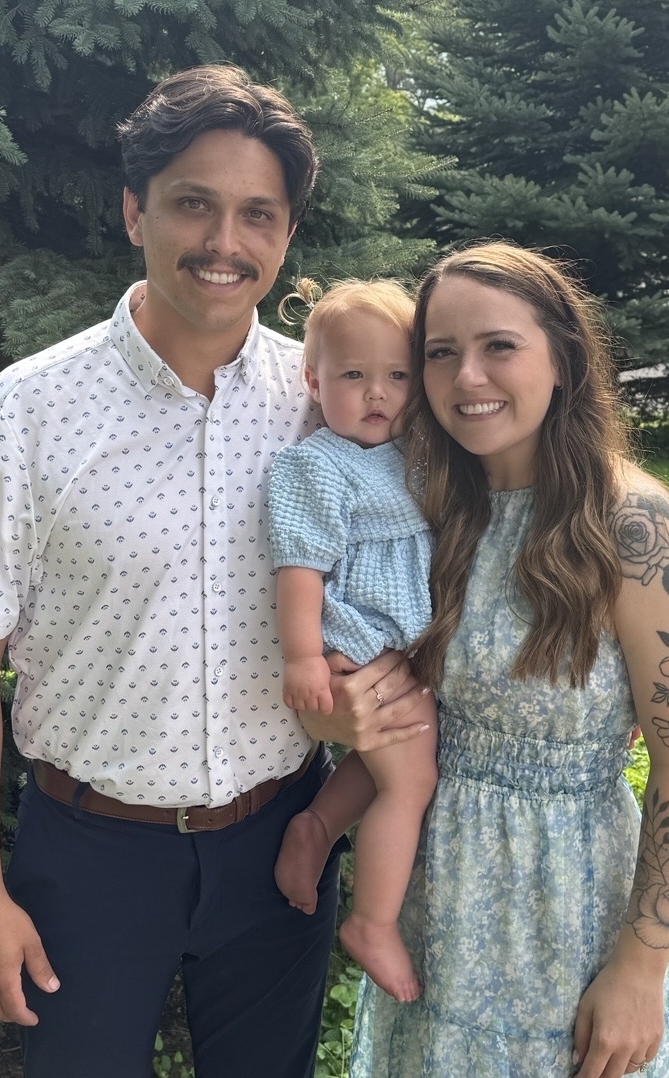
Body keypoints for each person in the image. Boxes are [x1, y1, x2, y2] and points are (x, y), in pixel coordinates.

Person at [0, 64, 428, 1078]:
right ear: (135, 209)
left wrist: (367, 700)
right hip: (90, 858)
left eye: (257, 215)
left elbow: (408, 569)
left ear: (287, 237)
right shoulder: (29, 411)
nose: (222, 241)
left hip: (277, 843)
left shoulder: (322, 406)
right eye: (194, 202)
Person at [327, 242, 669, 1078]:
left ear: (563, 360)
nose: (466, 375)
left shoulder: (633, 525)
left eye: (498, 346)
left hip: (569, 909)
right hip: (438, 909)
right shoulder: (429, 506)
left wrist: (642, 964)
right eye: (440, 349)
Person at [266, 278, 439, 1003]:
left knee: (386, 764)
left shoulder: (409, 455)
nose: (379, 394)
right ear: (314, 379)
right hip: (358, 640)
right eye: (354, 376)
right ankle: (371, 921)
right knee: (414, 777)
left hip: (401, 648)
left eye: (397, 376)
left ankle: (315, 827)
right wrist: (304, 655)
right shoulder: (318, 464)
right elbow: (299, 564)